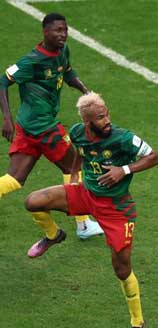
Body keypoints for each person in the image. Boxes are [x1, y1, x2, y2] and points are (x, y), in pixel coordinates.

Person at [24, 93, 158, 328]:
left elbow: (154, 157)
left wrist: (125, 170)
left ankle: (137, 323)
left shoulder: (122, 138)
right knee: (33, 201)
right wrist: (75, 172)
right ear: (87, 121)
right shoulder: (78, 132)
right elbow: (80, 151)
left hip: (117, 211)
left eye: (107, 114)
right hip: (86, 194)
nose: (107, 120)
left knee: (121, 269)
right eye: (100, 117)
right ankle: (53, 235)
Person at [0, 12, 102, 240]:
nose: (63, 34)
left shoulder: (62, 51)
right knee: (74, 165)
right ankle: (83, 224)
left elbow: (67, 72)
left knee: (14, 179)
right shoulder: (32, 61)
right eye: (58, 30)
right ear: (45, 32)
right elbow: (2, 81)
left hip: (28, 128)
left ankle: (74, 228)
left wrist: (85, 91)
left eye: (65, 30)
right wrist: (6, 118)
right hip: (43, 127)